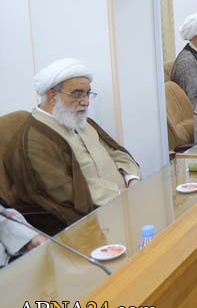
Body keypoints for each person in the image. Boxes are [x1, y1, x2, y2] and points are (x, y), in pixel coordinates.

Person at [6, 59, 141, 225]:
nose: (86, 101)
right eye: (77, 94)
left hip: (126, 200)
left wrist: (132, 179)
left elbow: (116, 153)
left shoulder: (79, 120)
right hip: (95, 217)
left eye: (87, 93)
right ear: (52, 96)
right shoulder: (35, 139)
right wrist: (118, 193)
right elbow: (62, 191)